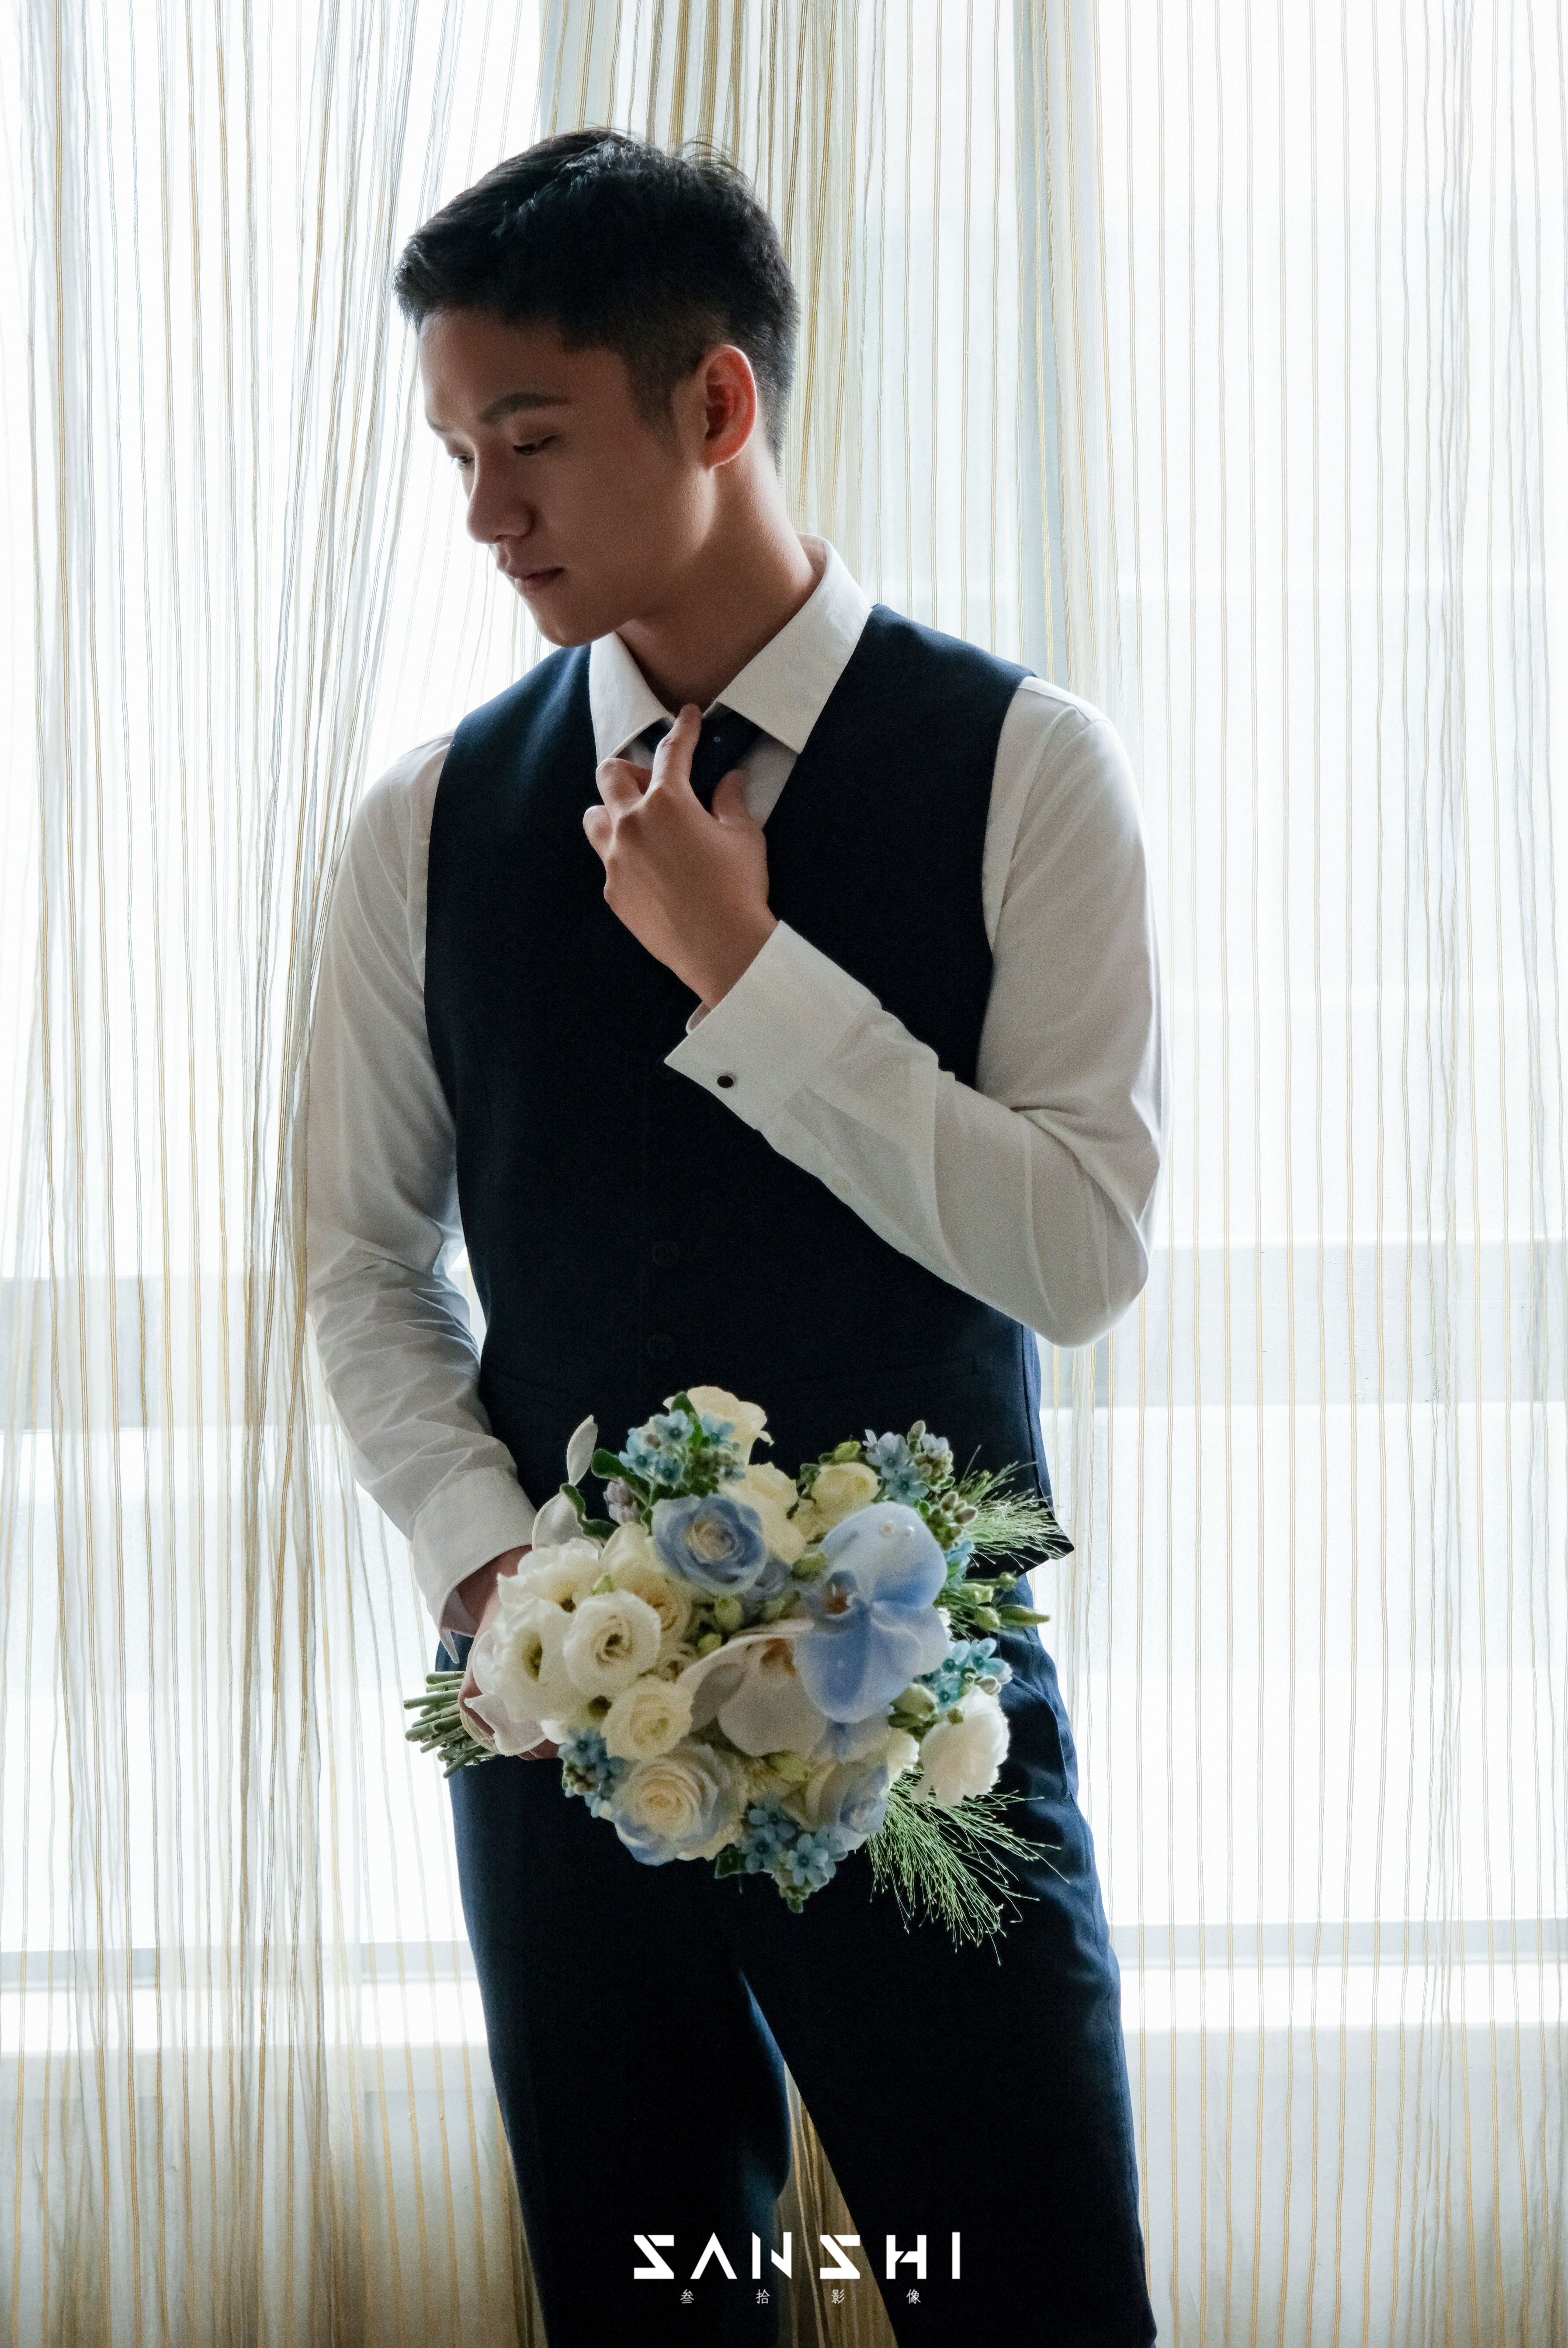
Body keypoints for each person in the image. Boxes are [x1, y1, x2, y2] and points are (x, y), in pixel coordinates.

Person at [300, 126, 1166, 2347]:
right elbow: (361, 1264)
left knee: (1033, 2301)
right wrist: (496, 1574)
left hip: (930, 1734)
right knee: (649, 2310)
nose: (485, 514)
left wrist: (751, 979)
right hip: (557, 1740)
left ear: (714, 403)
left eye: (528, 441)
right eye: (457, 455)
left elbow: (1080, 1252)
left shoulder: (1030, 767)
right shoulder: (423, 824)